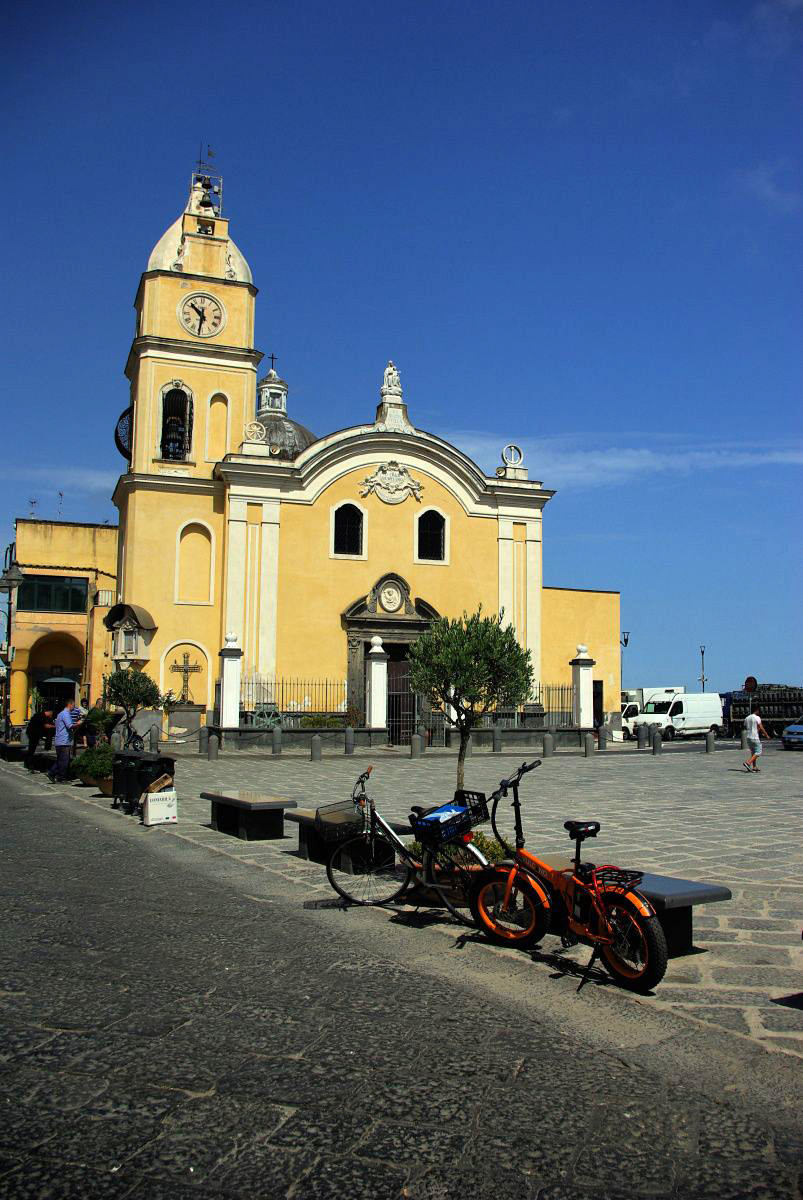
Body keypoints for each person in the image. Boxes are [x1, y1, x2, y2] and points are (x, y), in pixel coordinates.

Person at [47, 699, 77, 784]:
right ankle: (61, 777)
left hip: (59, 740)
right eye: (73, 705)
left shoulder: (60, 714)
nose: (74, 707)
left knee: (60, 759)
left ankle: (52, 773)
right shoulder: (65, 714)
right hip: (64, 740)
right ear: (70, 704)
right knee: (64, 760)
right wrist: (79, 723)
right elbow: (70, 726)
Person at [743, 705, 769, 772]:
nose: (759, 712)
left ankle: (754, 767)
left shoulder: (747, 718)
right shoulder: (757, 717)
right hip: (755, 737)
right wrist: (766, 735)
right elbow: (761, 727)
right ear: (756, 710)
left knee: (753, 752)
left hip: (748, 737)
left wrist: (756, 729)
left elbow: (746, 727)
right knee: (758, 751)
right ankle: (748, 763)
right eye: (759, 711)